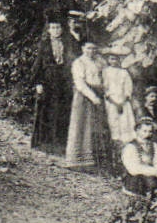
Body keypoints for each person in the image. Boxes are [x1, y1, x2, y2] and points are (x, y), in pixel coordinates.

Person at [30, 15, 78, 150]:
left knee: (62, 110)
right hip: (48, 81)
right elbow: (38, 64)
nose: (55, 30)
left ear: (62, 29)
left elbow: (74, 61)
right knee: (47, 110)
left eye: (58, 27)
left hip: (63, 80)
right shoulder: (44, 44)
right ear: (49, 30)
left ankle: (60, 142)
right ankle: (45, 142)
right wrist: (38, 83)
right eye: (53, 28)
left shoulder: (68, 43)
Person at [63, 41, 107, 171]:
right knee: (81, 125)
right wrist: (93, 97)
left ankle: (95, 161)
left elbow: (105, 77)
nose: (91, 51)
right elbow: (80, 82)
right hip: (84, 96)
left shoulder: (100, 61)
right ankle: (77, 161)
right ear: (83, 48)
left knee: (96, 126)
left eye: (94, 48)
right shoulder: (79, 63)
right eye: (88, 48)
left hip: (98, 94)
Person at [121, 119, 157, 197]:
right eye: (144, 131)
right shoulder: (131, 147)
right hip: (136, 179)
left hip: (152, 175)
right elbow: (134, 168)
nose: (148, 134)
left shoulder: (153, 146)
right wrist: (155, 172)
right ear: (137, 131)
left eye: (150, 131)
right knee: (150, 181)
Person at [101, 56, 140, 155]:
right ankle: (115, 148)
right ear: (108, 60)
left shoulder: (124, 72)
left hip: (124, 101)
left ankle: (127, 148)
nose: (113, 61)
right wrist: (114, 102)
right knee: (113, 122)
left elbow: (128, 87)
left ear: (119, 60)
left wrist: (124, 101)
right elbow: (105, 88)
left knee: (126, 122)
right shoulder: (105, 72)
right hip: (111, 101)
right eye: (111, 59)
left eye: (116, 59)